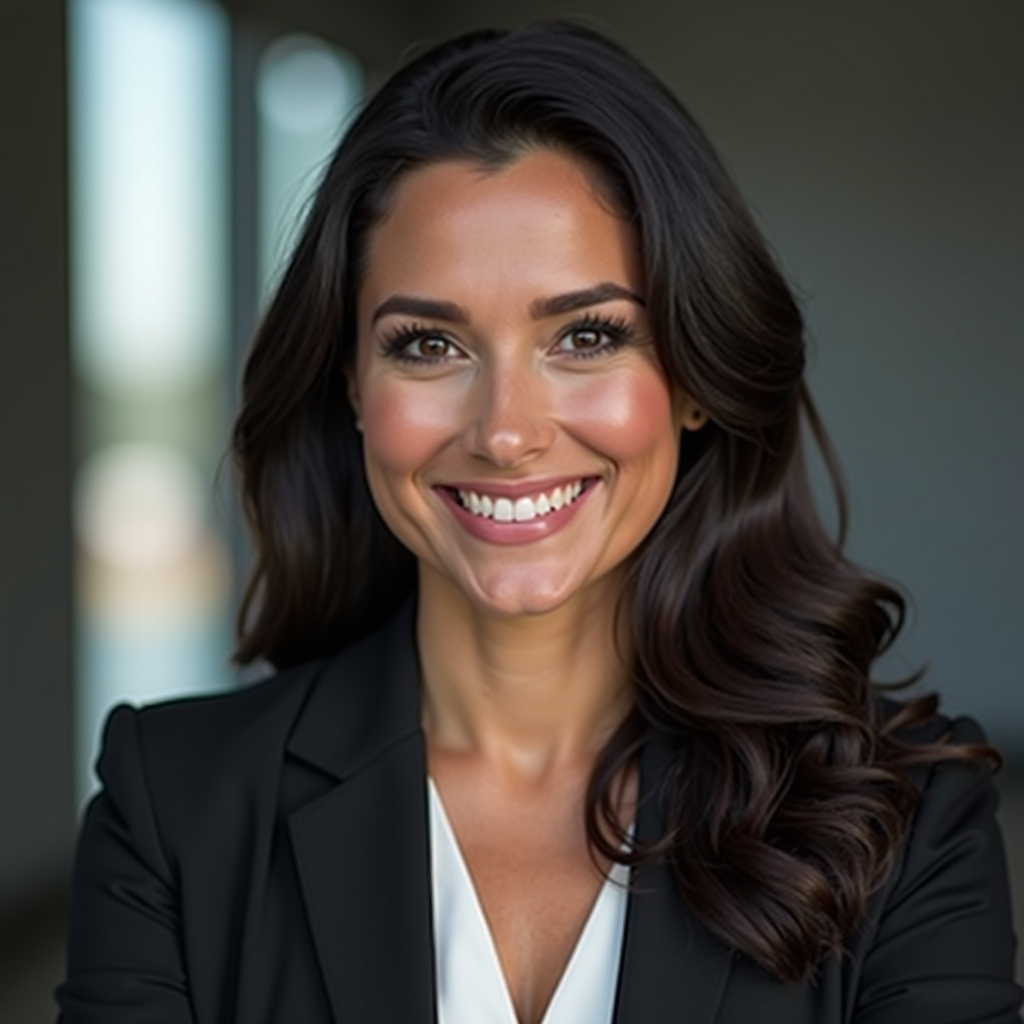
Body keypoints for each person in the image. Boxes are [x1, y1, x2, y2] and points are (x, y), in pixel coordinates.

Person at [57, 21, 1021, 1024]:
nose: (507, 432)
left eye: (585, 336)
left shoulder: (906, 817)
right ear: (350, 383)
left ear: (692, 378)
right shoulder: (172, 806)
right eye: (428, 343)